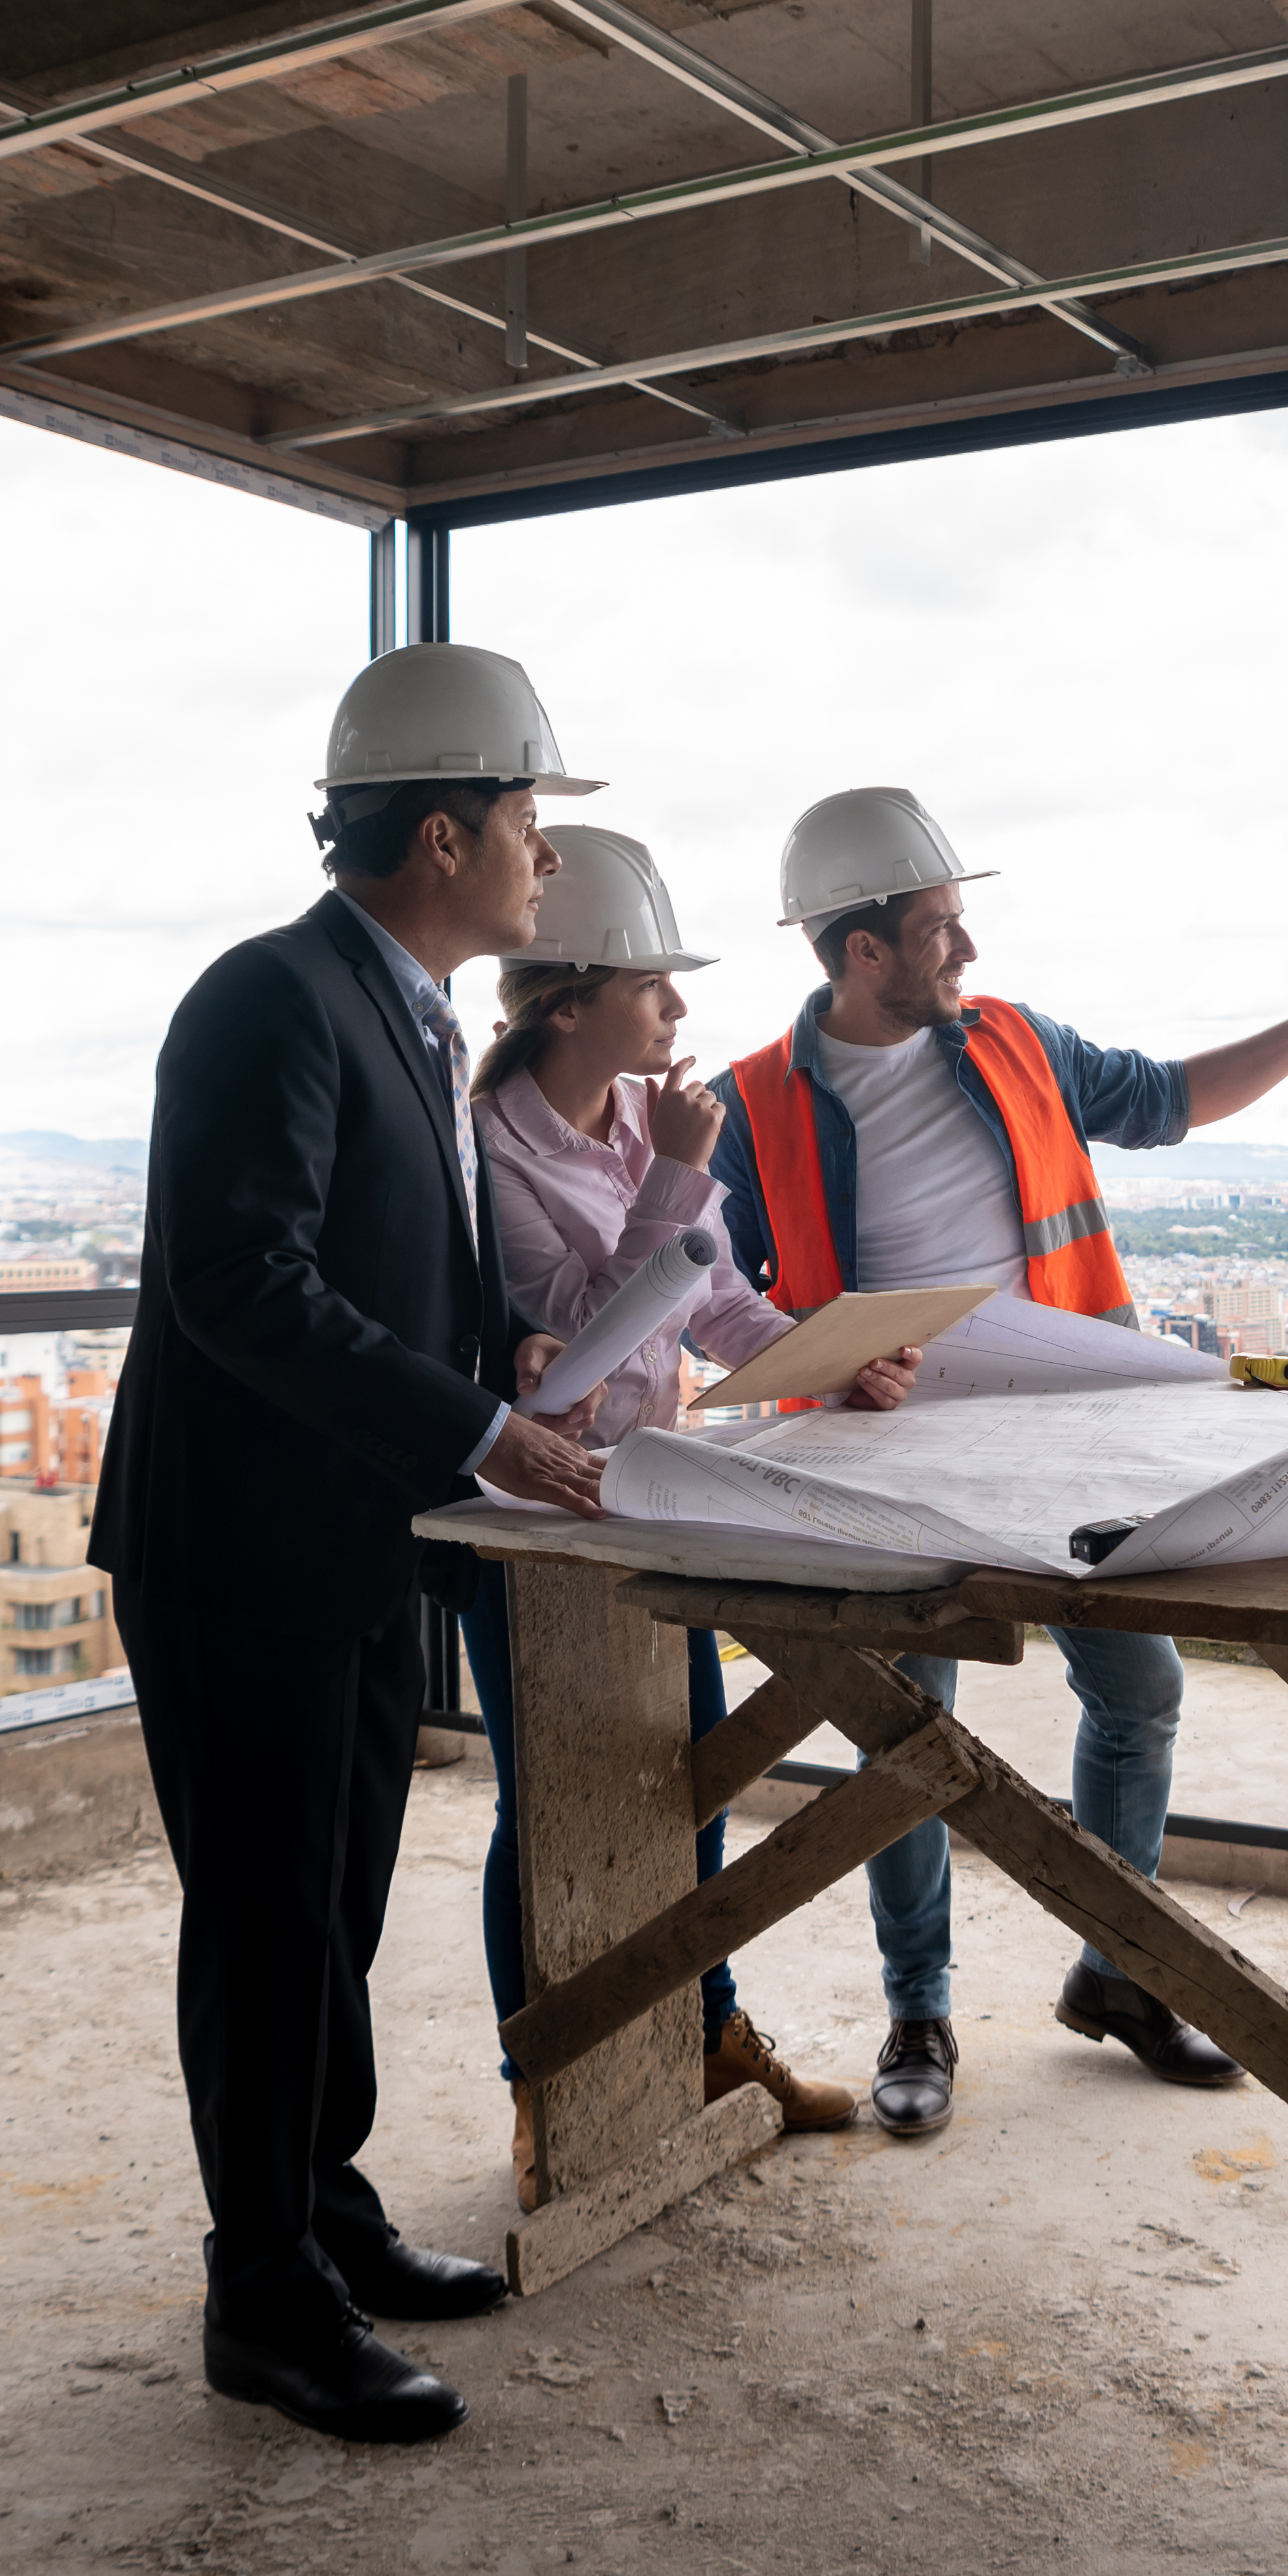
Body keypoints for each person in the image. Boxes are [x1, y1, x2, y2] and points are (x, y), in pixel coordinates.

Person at [709, 785, 1288, 2138]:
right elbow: (718, 1297)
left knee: (1137, 1691)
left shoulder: (1019, 1043)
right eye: (938, 929)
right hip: (884, 1456)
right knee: (899, 1737)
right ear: (863, 951)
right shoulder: (751, 1104)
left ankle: (1118, 1972)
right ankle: (918, 2007)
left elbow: (1169, 1100)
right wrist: (822, 1353)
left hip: (1077, 1427)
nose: (964, 952)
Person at [89, 642, 613, 2448]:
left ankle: (321, 2212)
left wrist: (498, 1358)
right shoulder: (270, 998)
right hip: (238, 1547)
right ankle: (263, 2303)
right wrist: (479, 1429)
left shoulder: (405, 1012)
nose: (550, 860)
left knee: (335, 1903)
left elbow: (378, 1269)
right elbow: (240, 1284)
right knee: (265, 1916)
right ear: (449, 833)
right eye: (536, 822)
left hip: (352, 1534)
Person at [462, 823, 891, 2171]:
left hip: (654, 1493)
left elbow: (711, 1303)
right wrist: (669, 1179)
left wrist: (827, 1360)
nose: (681, 1010)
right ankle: (544, 2081)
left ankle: (707, 2036)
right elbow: (572, 1336)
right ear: (571, 999)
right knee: (548, 1808)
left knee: (685, 1785)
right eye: (657, 986)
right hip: (536, 1512)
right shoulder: (493, 1149)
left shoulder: (658, 1118)